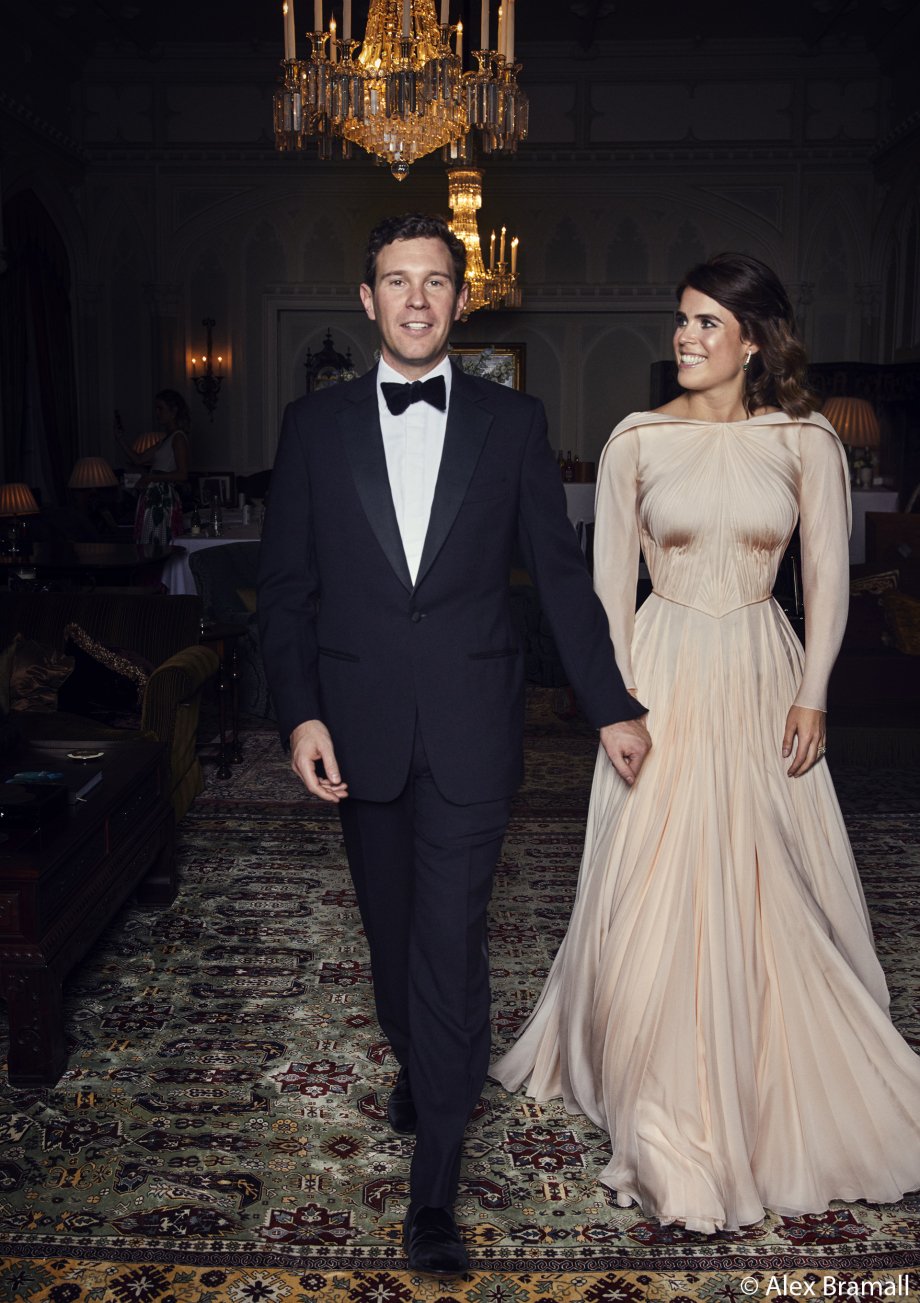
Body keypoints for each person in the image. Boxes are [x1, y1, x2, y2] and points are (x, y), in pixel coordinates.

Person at [491, 252, 920, 1233]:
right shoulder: (634, 439)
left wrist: (813, 693)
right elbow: (608, 592)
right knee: (653, 879)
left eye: (705, 322)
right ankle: (660, 1099)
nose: (684, 336)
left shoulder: (805, 440)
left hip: (765, 676)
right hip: (662, 675)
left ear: (754, 340)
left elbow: (825, 578)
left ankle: (766, 1073)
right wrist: (616, 705)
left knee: (771, 877)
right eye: (680, 319)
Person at [256, 213, 651, 1276]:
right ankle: (420, 1061)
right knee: (392, 946)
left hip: (475, 727)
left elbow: (558, 579)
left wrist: (610, 703)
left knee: (449, 943)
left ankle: (434, 1184)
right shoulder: (312, 426)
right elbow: (285, 591)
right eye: (397, 281)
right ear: (367, 298)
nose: (417, 299)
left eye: (435, 281)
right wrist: (300, 714)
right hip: (360, 730)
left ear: (462, 298)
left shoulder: (512, 423)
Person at [115, 389, 190, 544]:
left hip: (162, 496)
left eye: (160, 408)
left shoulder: (178, 438)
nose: (157, 413)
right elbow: (139, 459)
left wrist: (152, 477)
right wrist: (120, 438)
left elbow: (182, 474)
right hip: (154, 495)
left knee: (158, 540)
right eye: (156, 408)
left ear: (173, 411)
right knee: (149, 539)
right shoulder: (166, 439)